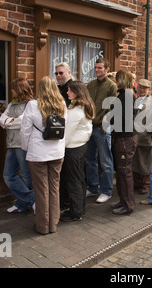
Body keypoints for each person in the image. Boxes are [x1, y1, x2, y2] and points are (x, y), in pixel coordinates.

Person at [20, 76, 66, 235]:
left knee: (41, 190)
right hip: (57, 152)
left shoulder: (33, 105)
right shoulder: (62, 104)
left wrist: (26, 148)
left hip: (38, 153)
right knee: (54, 188)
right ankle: (53, 224)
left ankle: (42, 226)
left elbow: (25, 130)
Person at [59, 81, 94, 222]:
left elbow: (67, 134)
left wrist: (60, 149)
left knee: (73, 181)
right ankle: (79, 209)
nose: (67, 93)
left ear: (76, 92)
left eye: (69, 90)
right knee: (79, 180)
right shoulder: (84, 107)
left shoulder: (76, 111)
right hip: (80, 146)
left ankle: (76, 212)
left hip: (73, 149)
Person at [0, 78, 35, 213]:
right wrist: (11, 121)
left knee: (26, 176)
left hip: (22, 144)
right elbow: (1, 120)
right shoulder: (12, 103)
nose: (11, 91)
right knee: (8, 175)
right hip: (11, 143)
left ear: (20, 89)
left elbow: (23, 121)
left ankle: (22, 204)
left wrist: (9, 121)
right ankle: (32, 200)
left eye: (13, 88)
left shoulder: (30, 103)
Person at [85, 58, 117, 203]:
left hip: (102, 129)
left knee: (105, 161)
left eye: (100, 68)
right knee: (90, 159)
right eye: (96, 68)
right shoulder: (90, 84)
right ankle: (92, 188)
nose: (97, 70)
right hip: (89, 127)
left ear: (107, 69)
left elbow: (114, 108)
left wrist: (105, 123)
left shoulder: (112, 86)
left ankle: (107, 190)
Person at [108, 71, 138, 215]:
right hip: (122, 137)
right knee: (121, 172)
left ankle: (128, 205)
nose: (113, 81)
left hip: (125, 138)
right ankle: (123, 200)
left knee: (125, 172)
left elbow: (125, 119)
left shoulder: (126, 96)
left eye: (115, 79)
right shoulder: (123, 95)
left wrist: (111, 119)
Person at [132, 79, 152, 195]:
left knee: (146, 162)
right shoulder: (135, 100)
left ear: (149, 89)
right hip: (134, 136)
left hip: (146, 137)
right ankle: (137, 182)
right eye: (140, 87)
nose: (142, 90)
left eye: (145, 88)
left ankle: (146, 184)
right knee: (135, 161)